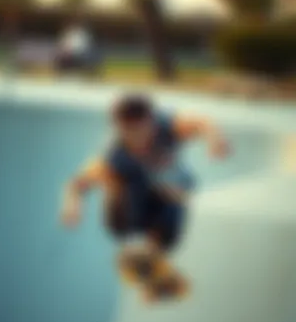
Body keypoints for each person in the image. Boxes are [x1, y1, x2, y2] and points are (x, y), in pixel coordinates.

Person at [60, 94, 230, 302]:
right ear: (119, 129)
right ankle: (138, 248)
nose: (137, 141)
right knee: (132, 174)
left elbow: (203, 122)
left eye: (141, 132)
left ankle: (154, 254)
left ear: (152, 122)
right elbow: (77, 184)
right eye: (128, 134)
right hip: (124, 217)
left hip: (164, 209)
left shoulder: (168, 127)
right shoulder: (114, 153)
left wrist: (215, 139)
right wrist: (72, 204)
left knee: (176, 180)